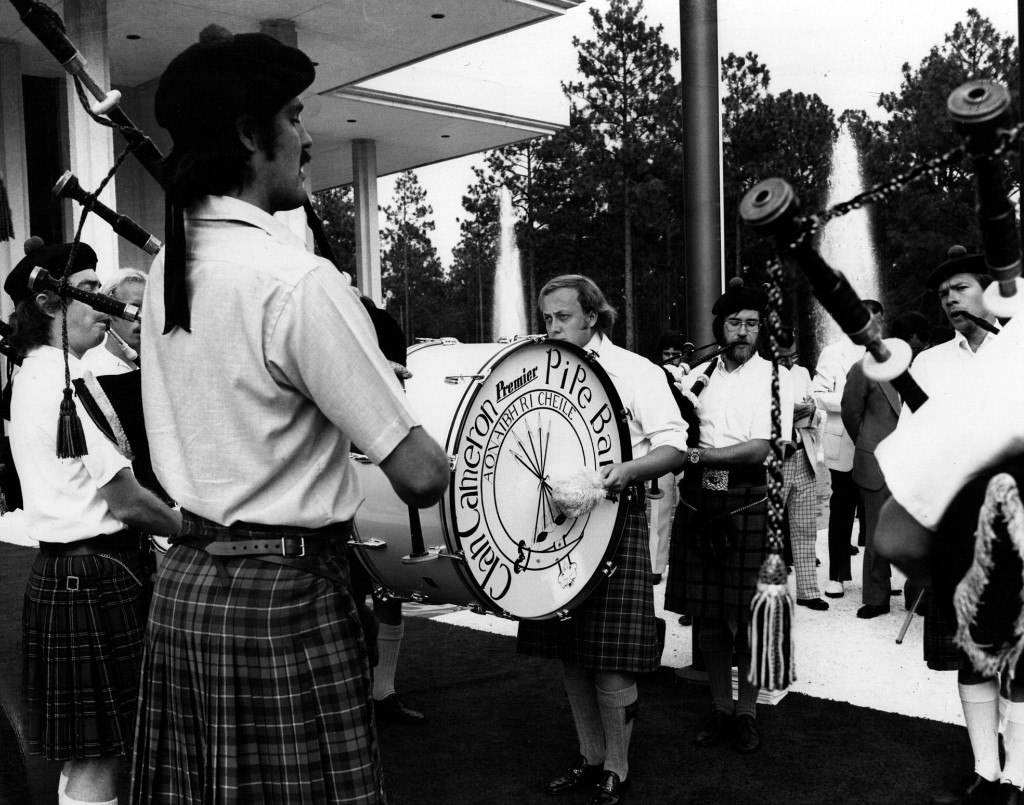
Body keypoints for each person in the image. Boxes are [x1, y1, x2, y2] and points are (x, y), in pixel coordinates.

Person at [132, 26, 449, 804]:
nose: (308, 137)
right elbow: (421, 474)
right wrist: (374, 384)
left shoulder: (168, 267)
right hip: (286, 598)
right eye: (298, 115)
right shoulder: (294, 282)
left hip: (187, 587)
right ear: (249, 133)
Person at [4, 240, 180, 805]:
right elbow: (126, 500)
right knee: (100, 756)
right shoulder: (56, 387)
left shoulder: (38, 378)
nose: (103, 305)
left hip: (74, 578)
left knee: (90, 753)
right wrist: (189, 526)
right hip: (94, 579)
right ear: (50, 304)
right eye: (88, 290)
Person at [518, 275, 686, 805]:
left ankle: (617, 764)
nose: (552, 327)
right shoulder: (541, 370)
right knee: (571, 652)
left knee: (610, 657)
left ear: (592, 316)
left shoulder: (637, 371)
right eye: (546, 318)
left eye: (562, 317)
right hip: (557, 526)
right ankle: (590, 757)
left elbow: (676, 447)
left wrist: (628, 470)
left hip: (615, 520)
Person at [879, 249, 1005, 805]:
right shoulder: (928, 364)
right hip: (961, 529)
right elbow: (913, 447)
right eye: (943, 293)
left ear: (990, 290)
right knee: (972, 658)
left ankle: (1018, 774)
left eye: (960, 287)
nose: (951, 298)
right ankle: (988, 771)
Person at [664, 279, 794, 754]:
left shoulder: (777, 378)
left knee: (751, 617)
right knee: (711, 618)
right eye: (735, 323)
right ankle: (720, 708)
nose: (743, 332)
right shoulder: (697, 376)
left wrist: (696, 459)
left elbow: (761, 447)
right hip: (701, 502)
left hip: (751, 500)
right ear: (720, 327)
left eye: (752, 324)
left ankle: (748, 713)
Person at [840, 312, 931, 619]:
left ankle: (917, 596)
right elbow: (851, 414)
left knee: (917, 529)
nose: (919, 353)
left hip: (913, 465)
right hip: (876, 462)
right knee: (877, 532)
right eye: (916, 347)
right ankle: (876, 598)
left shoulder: (925, 370)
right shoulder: (865, 367)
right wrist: (870, 445)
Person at [810, 299, 883, 598]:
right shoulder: (832, 352)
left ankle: (879, 578)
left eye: (877, 321)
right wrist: (854, 398)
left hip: (877, 442)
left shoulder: (885, 354)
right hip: (844, 442)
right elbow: (817, 394)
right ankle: (837, 574)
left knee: (878, 511)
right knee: (842, 509)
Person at [777, 330, 827, 611]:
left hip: (802, 456)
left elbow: (815, 412)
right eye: (784, 358)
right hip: (776, 459)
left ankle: (808, 591)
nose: (789, 363)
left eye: (793, 356)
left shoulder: (802, 372)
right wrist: (797, 412)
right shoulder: (762, 375)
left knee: (806, 527)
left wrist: (803, 412)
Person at [648, 330, 688, 584]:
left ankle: (684, 568)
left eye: (676, 355)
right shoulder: (652, 376)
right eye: (667, 354)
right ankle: (655, 566)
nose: (671, 359)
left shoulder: (692, 374)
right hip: (661, 450)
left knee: (687, 511)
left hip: (687, 451)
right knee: (658, 511)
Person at [81, 269, 146, 376]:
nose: (142, 317)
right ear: (109, 311)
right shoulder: (90, 369)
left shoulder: (160, 367)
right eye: (133, 309)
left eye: (149, 310)